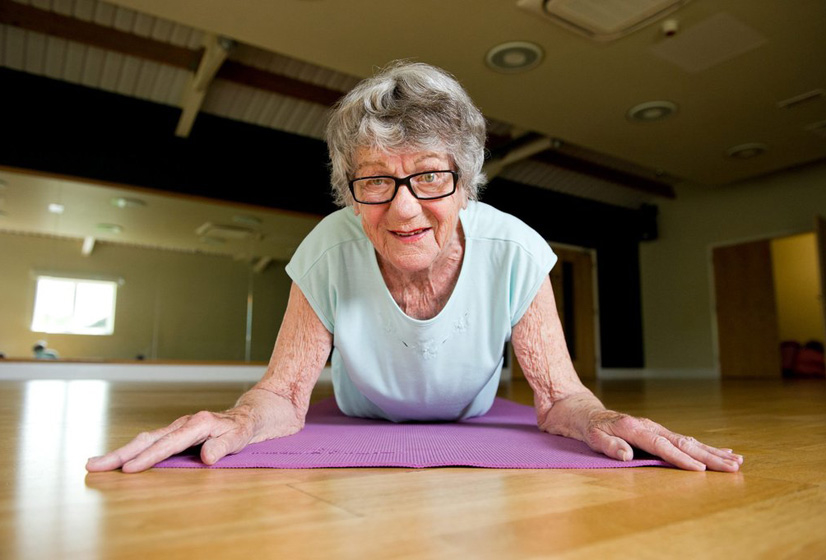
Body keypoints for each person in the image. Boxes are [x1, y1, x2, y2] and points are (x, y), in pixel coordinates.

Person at [87, 61, 743, 474]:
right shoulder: (328, 249)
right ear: (350, 192)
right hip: (360, 415)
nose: (404, 209)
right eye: (375, 180)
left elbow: (559, 398)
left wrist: (603, 421)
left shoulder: (515, 250)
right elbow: (284, 396)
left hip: (472, 414)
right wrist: (235, 420)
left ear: (466, 184)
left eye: (429, 176)